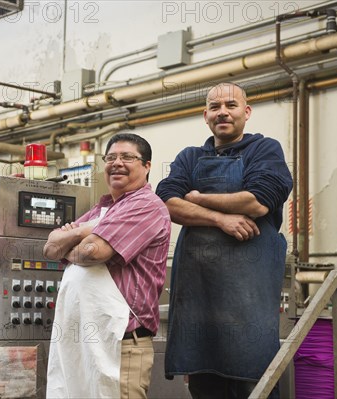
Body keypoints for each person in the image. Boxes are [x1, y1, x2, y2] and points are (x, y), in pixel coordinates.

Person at [156, 82, 293, 398]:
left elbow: (257, 201)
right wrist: (221, 218)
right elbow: (166, 202)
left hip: (249, 298)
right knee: (205, 384)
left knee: (254, 382)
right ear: (205, 116)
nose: (223, 112)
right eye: (215, 107)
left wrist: (197, 197)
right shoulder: (190, 157)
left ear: (246, 112)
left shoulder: (264, 149)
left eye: (231, 105)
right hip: (199, 298)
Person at [44, 132, 171, 399]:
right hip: (85, 344)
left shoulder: (146, 205)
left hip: (121, 346)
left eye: (127, 157)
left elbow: (93, 252)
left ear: (147, 166)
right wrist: (87, 229)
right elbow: (51, 248)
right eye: (111, 157)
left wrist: (78, 236)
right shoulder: (102, 210)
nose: (117, 163)